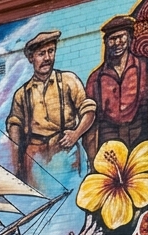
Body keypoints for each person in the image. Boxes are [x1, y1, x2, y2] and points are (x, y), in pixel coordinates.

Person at [6, 30, 97, 184]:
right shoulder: (22, 94)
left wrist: (76, 134)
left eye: (51, 51)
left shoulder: (69, 80)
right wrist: (17, 165)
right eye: (41, 54)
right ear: (31, 58)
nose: (47, 58)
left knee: (73, 193)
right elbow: (14, 128)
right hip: (35, 159)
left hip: (66, 153)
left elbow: (88, 111)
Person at [83, 15, 148, 160]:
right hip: (109, 145)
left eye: (121, 37)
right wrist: (92, 159)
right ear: (106, 42)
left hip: (140, 138)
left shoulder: (144, 67)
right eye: (112, 39)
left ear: (129, 38)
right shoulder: (95, 78)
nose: (117, 43)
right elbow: (92, 122)